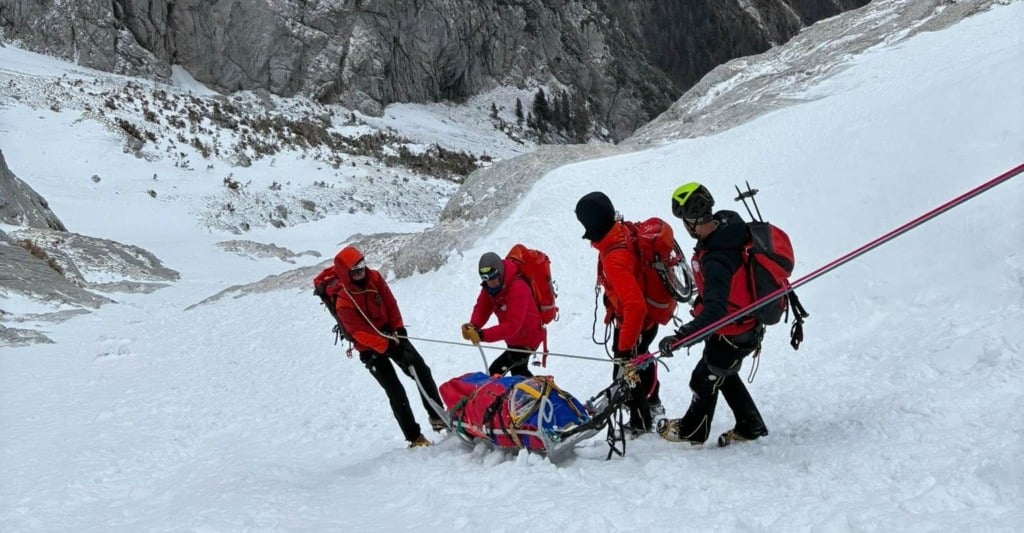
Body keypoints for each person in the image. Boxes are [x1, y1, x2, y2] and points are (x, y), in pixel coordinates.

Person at [657, 182, 768, 446]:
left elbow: (716, 313)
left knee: (703, 380)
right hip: (747, 324)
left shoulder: (716, 260)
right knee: (723, 373)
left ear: (691, 222)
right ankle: (751, 425)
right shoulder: (728, 224)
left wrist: (681, 337)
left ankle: (691, 431)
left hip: (732, 331)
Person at [313, 245, 446, 448]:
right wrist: (390, 347)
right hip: (369, 349)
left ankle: (437, 416)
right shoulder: (343, 302)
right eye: (356, 271)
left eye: (363, 267)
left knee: (420, 370)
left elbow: (390, 304)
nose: (361, 273)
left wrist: (399, 329)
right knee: (396, 391)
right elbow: (360, 334)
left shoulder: (374, 278)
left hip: (391, 334)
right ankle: (414, 437)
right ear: (347, 274)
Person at [574, 191, 664, 435]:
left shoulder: (614, 256)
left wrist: (624, 347)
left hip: (634, 324)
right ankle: (653, 405)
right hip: (646, 321)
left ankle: (640, 423)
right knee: (641, 361)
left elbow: (635, 306)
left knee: (625, 373)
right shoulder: (622, 232)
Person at [461, 252, 544, 377]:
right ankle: (529, 394)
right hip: (513, 340)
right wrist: (473, 325)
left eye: (494, 278)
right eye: (487, 280)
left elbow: (512, 326)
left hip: (528, 339)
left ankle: (538, 393)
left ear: (500, 273)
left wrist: (481, 335)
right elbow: (482, 308)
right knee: (518, 373)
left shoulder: (518, 287)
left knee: (495, 372)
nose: (492, 283)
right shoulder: (490, 288)